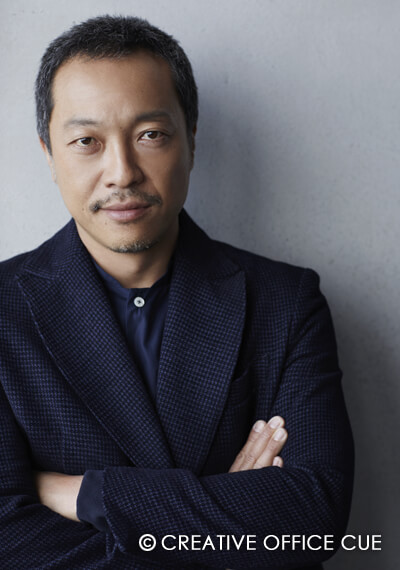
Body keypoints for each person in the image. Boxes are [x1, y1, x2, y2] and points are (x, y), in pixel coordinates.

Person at [0, 15, 354, 569]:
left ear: (190, 138)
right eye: (87, 141)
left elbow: (314, 516)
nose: (122, 173)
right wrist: (225, 532)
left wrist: (92, 494)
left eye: (150, 135)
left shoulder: (287, 302)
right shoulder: (4, 310)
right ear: (49, 152)